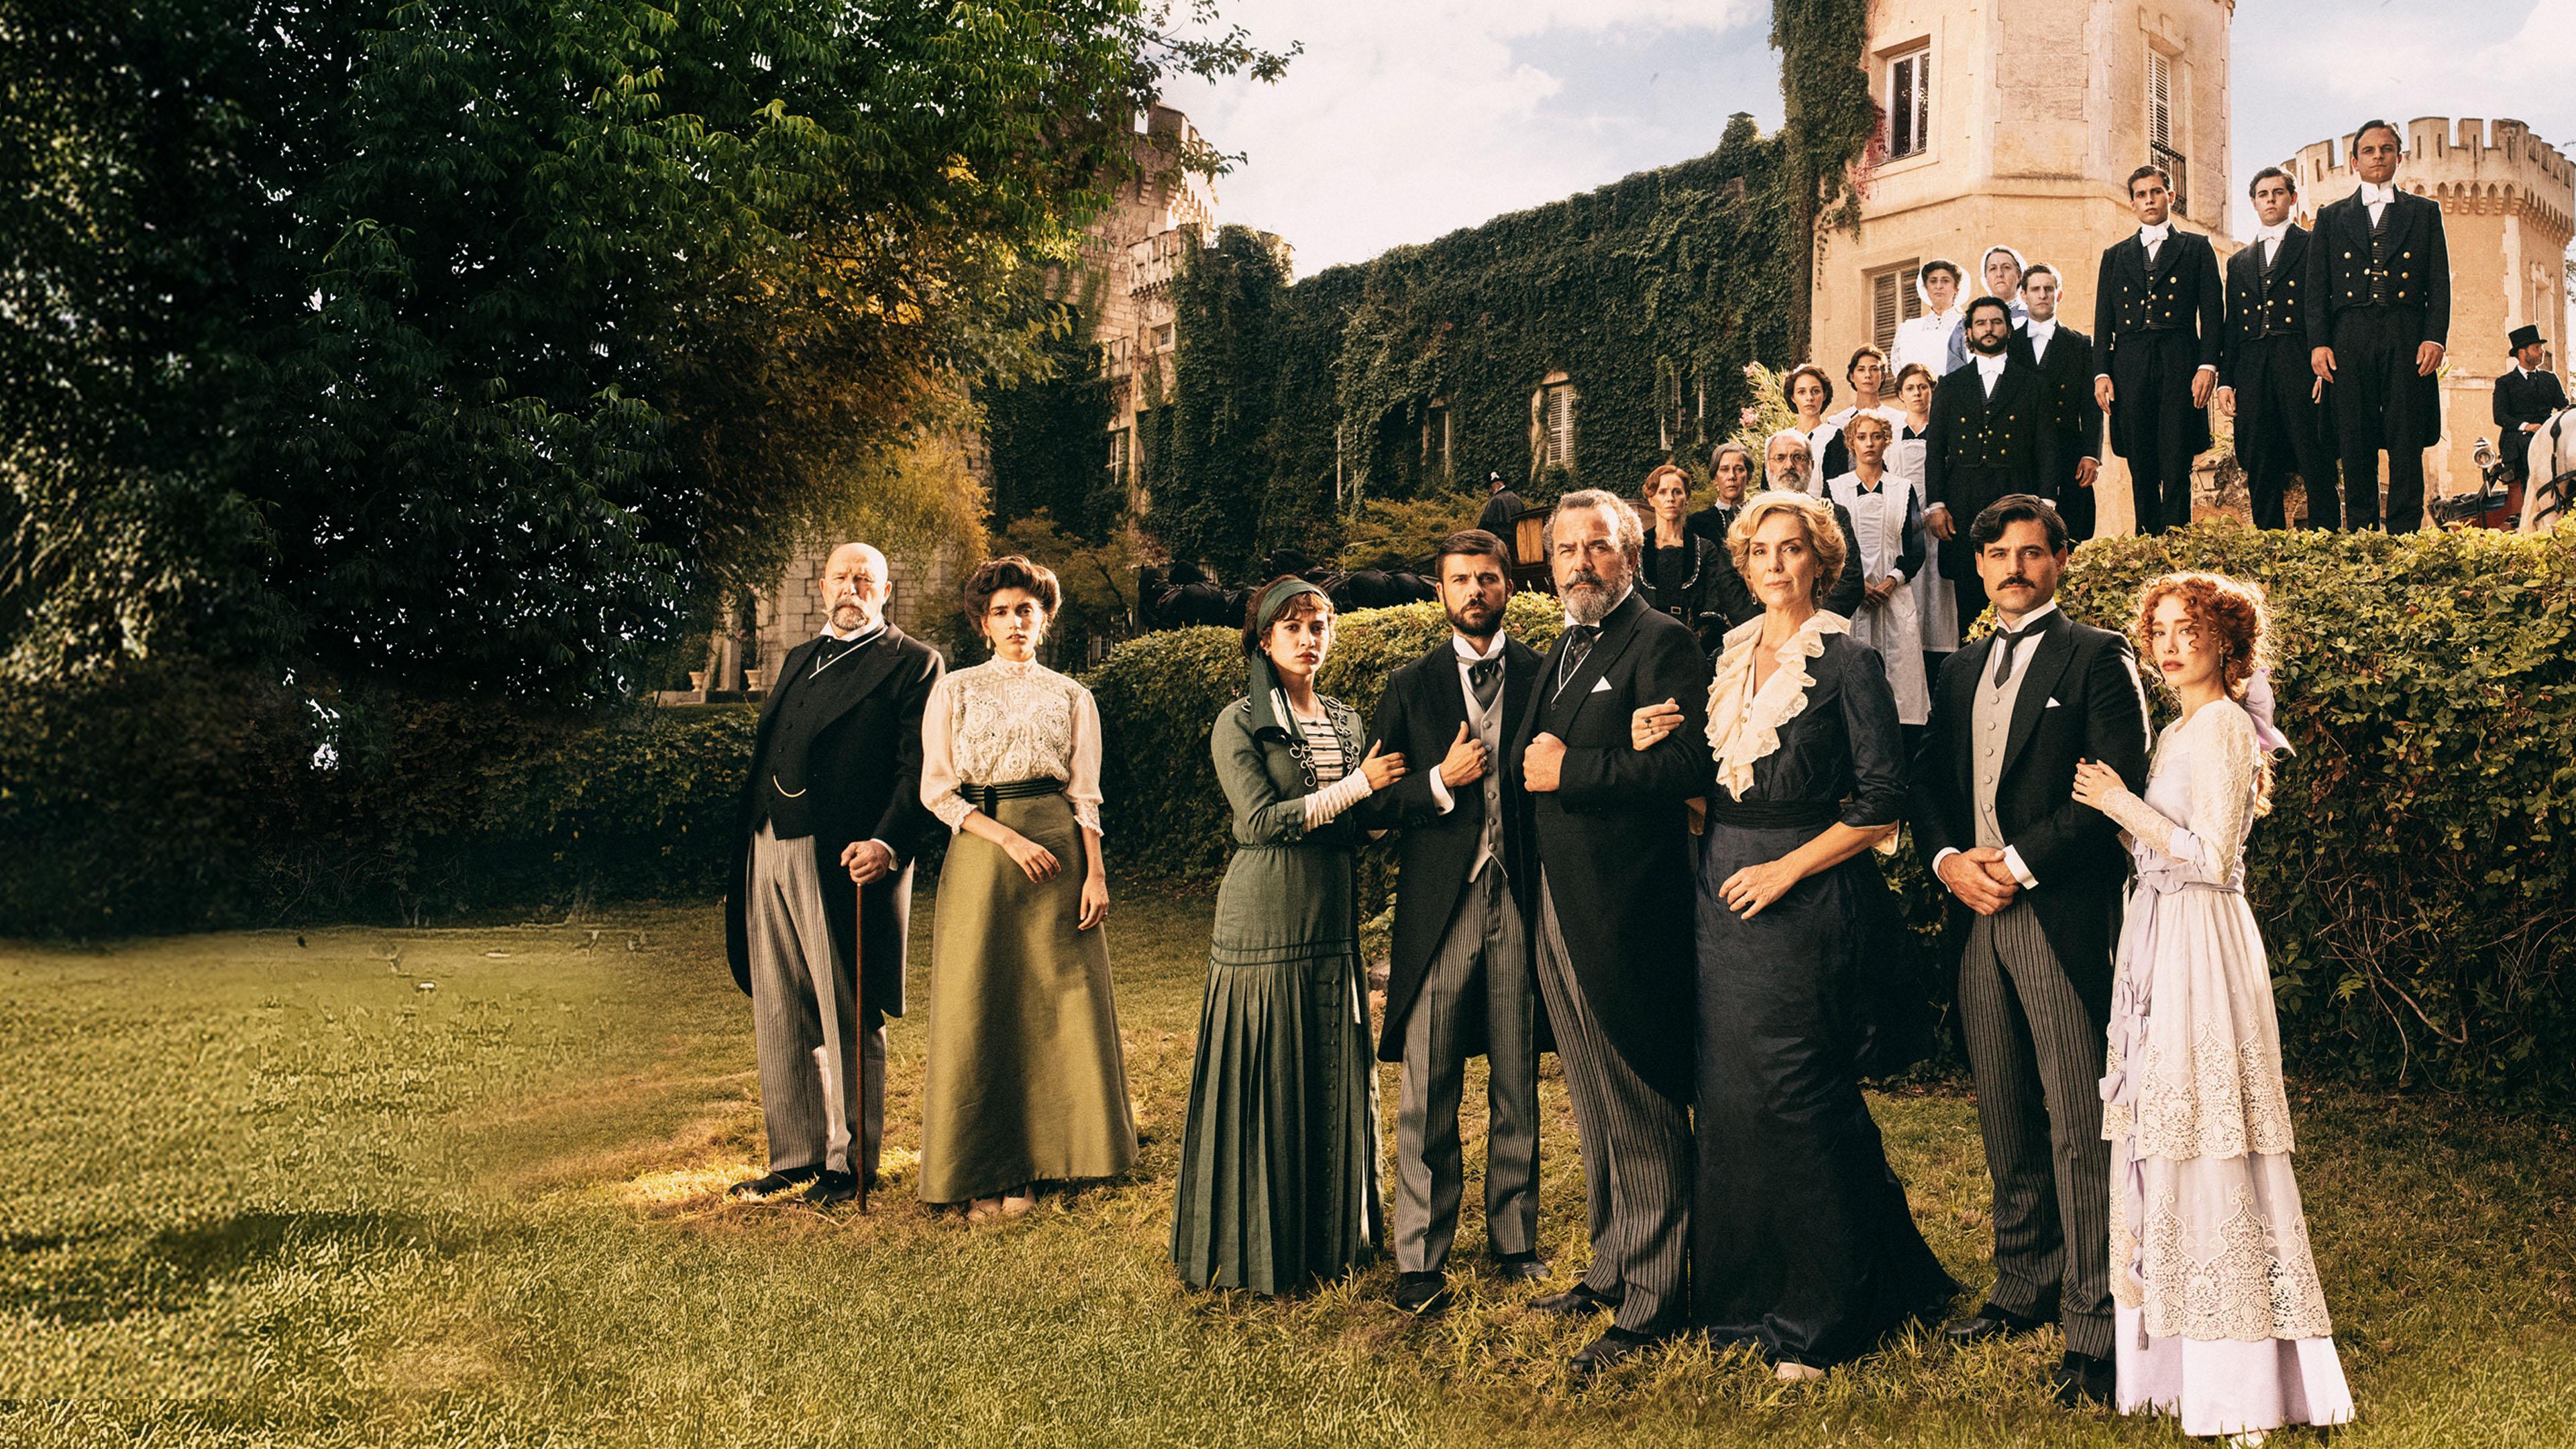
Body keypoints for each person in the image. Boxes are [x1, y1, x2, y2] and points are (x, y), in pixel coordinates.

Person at [1631, 490, 1957, 1377]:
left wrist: (1783, 871)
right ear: (1743, 565)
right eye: (1760, 552)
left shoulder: (1848, 660)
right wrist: (1652, 742)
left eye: (1792, 550)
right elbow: (1716, 790)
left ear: (1823, 560)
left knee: (1798, 1094)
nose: (1775, 565)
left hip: (1804, 898)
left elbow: (1880, 808)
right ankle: (1743, 1303)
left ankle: (1822, 1314)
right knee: (1733, 1098)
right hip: (1719, 892)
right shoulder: (1726, 654)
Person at [2076, 573, 2355, 1440]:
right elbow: (2166, 843)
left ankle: (2242, 1389)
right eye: (2156, 629)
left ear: (2226, 642)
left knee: (2211, 1137)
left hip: (2204, 941)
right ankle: (2173, 1370)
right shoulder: (2180, 729)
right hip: (2161, 938)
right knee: (2166, 1138)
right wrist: (2128, 818)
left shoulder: (2228, 724)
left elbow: (2214, 857)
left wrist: (2119, 802)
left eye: (2187, 628)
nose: (2168, 644)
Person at [1909, 496, 2151, 1408]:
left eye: (2032, 553)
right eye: (1999, 554)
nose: (2014, 567)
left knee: (2077, 1125)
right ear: (1978, 566)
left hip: (2058, 912)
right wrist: (1945, 863)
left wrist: (2012, 863)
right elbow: (1929, 779)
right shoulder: (1964, 665)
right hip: (1975, 911)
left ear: (2060, 562)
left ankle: (2096, 1328)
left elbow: (2113, 787)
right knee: (2004, 1107)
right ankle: (2023, 1283)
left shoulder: (2097, 655)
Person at [1511, 490, 1712, 1375]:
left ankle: (1657, 1297)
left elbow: (1682, 765)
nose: (1580, 563)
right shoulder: (1564, 643)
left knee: (1637, 1096)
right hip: (1558, 899)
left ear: (1630, 555)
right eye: (1566, 550)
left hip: (1628, 903)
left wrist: (1573, 768)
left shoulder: (1661, 640)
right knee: (1591, 1101)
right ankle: (1612, 1265)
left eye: (1598, 547)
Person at [1173, 578, 1403, 1294]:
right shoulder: (1238, 721)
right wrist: (1361, 788)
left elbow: (1365, 821)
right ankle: (1255, 1249)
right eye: (1295, 627)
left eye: (1321, 626)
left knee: (1330, 1064)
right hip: (1264, 915)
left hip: (1333, 913)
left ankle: (1334, 1238)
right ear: (1264, 640)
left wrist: (1423, 796)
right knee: (1267, 1072)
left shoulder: (1345, 718)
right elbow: (1259, 822)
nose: (1310, 639)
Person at [1356, 531, 1548, 1315]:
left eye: (1488, 577)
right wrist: (1440, 780)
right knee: (1428, 1079)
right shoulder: (1409, 685)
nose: (1475, 589)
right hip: (1443, 907)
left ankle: (1516, 1240)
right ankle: (1419, 1257)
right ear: (1440, 591)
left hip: (1523, 898)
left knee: (1516, 1079)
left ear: (1509, 586)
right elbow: (1373, 797)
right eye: (1461, 579)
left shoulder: (1543, 674)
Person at [914, 556, 1136, 1220]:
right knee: (980, 998)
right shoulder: (954, 691)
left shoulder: (1072, 696)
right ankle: (981, 1165)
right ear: (985, 623)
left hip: (1062, 854)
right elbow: (937, 791)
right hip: (985, 852)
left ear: (1045, 619)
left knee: (1059, 999)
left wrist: (1094, 873)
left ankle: (1066, 1157)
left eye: (1027, 610)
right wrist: (1008, 838)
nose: (1016, 621)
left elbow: (1086, 794)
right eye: (1003, 611)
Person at [723, 541, 944, 1207]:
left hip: (846, 858)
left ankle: (849, 1164)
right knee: (779, 1006)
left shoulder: (912, 663)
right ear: (823, 587)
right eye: (842, 577)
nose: (853, 588)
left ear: (885, 593)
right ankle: (794, 1157)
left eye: (866, 580)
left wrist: (889, 842)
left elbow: (922, 769)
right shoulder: (796, 659)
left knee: (845, 1005)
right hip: (769, 847)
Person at [2309, 119, 2453, 533]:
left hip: (2406, 333)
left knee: (2406, 435)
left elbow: (2438, 282)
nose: (2378, 157)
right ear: (2355, 161)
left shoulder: (2424, 212)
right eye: (2369, 151)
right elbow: (2316, 288)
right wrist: (2319, 343)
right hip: (2349, 335)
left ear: (2399, 158)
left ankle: (2406, 534)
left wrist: (2434, 337)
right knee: (2354, 436)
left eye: (2386, 149)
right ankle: (2360, 532)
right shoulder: (2331, 217)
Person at [2096, 164, 2222, 535]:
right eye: (2141, 194)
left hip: (2179, 357)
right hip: (2130, 363)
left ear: (2171, 196)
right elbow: (2103, 320)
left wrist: (2208, 366)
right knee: (2140, 458)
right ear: (2132, 203)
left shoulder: (2197, 247)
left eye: (2156, 192)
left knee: (2177, 454)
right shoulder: (2115, 255)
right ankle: (2146, 541)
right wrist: (2101, 372)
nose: (2149, 200)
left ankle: (2177, 541)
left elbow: (2213, 316)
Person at [2219, 167, 2339, 530]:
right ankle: (2269, 546)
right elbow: (2231, 327)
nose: (2270, 200)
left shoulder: (2314, 244)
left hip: (2299, 359)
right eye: (2263, 194)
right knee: (2259, 461)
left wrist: (2323, 365)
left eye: (2278, 193)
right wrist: (2226, 381)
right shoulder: (2238, 261)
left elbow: (2327, 309)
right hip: (2252, 367)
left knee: (2314, 457)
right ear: (2253, 202)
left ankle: (2327, 543)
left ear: (2293, 198)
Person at [1926, 297, 2055, 627]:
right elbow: (1936, 448)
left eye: (1996, 322)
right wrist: (1937, 504)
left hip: (2016, 494)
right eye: (1981, 323)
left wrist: (2046, 504)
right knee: (1969, 601)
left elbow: (2046, 447)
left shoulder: (2034, 383)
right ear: (1969, 332)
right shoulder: (1950, 385)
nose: (1989, 329)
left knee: (2021, 586)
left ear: (2009, 329)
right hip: (1962, 500)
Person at [1824, 413, 1930, 727]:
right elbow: (1831, 545)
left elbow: (1915, 546)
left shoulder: (1903, 488)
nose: (1869, 443)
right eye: (1862, 437)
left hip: (1893, 596)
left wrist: (1890, 582)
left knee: (1901, 682)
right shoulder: (1835, 489)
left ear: (1887, 440)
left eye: (1876, 436)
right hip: (1850, 600)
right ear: (1851, 443)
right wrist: (1855, 586)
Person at [2015, 264, 2105, 541]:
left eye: (2049, 289)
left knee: (2070, 534)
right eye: (2035, 289)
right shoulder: (2009, 344)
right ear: (2023, 295)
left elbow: (2091, 406)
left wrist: (2092, 454)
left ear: (2059, 294)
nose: (2042, 295)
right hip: (2022, 453)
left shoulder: (2080, 344)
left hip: (2069, 452)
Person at [1890, 363, 1962, 666]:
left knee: (1941, 595)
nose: (1918, 394)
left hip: (1940, 522)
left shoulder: (1946, 428)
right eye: (1910, 388)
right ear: (1900, 395)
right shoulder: (1892, 434)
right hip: (1906, 525)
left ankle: (1942, 660)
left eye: (1923, 387)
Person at [1762, 431, 1872, 619]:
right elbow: (1732, 584)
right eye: (1780, 458)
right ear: (1767, 466)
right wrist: (1770, 623)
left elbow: (1851, 581)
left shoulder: (1834, 515)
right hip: (1762, 629)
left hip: (1822, 627)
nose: (1789, 465)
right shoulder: (1749, 517)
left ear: (1811, 465)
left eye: (1798, 457)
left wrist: (1815, 622)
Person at [1640, 462, 1747, 651]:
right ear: (1651, 499)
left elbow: (1713, 601)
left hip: (1692, 644)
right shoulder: (1637, 548)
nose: (1670, 499)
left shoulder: (1705, 549)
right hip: (1645, 642)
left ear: (1686, 497)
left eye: (1677, 492)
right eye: (1662, 492)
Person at [2493, 325, 2565, 492]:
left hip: (2548, 433)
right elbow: (2500, 416)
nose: (2542, 352)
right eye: (2537, 348)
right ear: (2522, 352)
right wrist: (2527, 426)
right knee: (2530, 445)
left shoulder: (2550, 379)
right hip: (2518, 439)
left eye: (2541, 348)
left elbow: (2563, 406)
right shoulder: (2505, 383)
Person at [1948, 245, 2032, 374]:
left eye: (2006, 268)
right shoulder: (1966, 324)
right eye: (1993, 269)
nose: (1999, 274)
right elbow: (1955, 373)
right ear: (1986, 278)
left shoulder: (2033, 319)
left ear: (2019, 276)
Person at [1892, 260, 1966, 381]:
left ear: (1956, 288)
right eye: (1933, 281)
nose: (1939, 286)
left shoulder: (1968, 325)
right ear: (1926, 287)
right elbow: (1900, 371)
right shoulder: (1908, 330)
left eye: (1945, 281)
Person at [1781, 364, 1843, 490]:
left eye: (1815, 391)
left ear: (1824, 395)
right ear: (1793, 397)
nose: (1809, 398)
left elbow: (1838, 487)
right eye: (1802, 392)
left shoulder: (1835, 437)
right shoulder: (1779, 440)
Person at [1686, 442, 1757, 548]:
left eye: (1739, 469)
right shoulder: (1697, 522)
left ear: (1749, 477)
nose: (1732, 476)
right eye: (1724, 469)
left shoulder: (1758, 518)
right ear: (1715, 478)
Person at [1477, 468, 1530, 541]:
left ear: (1498, 484)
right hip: (1518, 541)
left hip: (1501, 543)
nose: (1490, 490)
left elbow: (1485, 525)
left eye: (1491, 487)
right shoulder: (1517, 499)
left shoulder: (1496, 500)